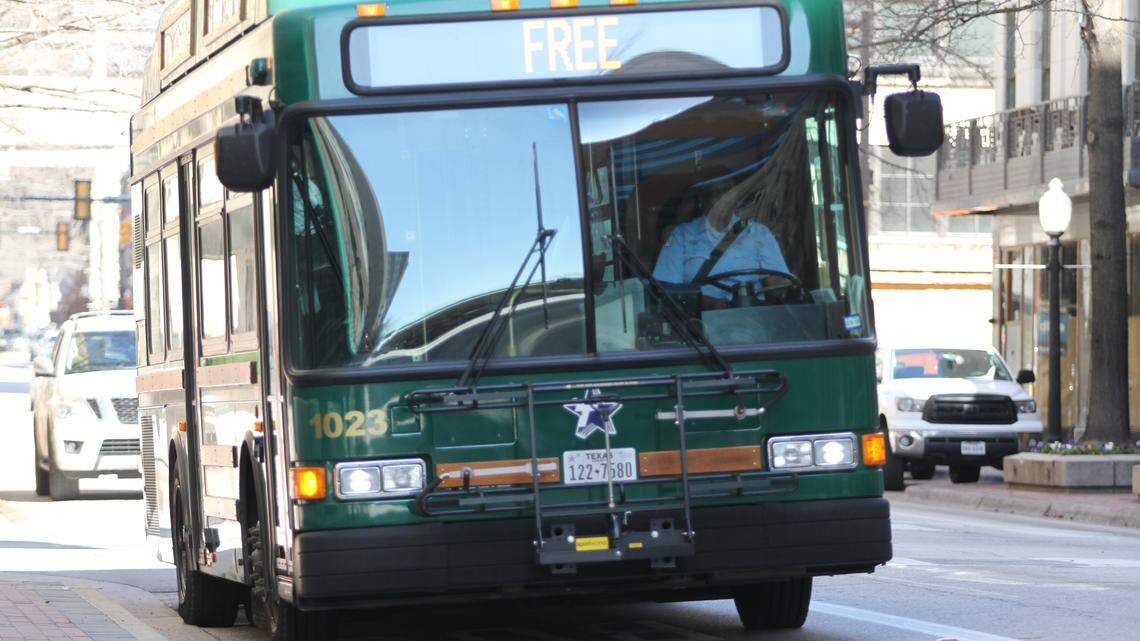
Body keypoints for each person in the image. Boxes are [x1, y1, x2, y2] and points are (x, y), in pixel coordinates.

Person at [652, 173, 790, 301]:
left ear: (736, 197)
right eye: (715, 193)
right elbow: (669, 289)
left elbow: (778, 283)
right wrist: (706, 302)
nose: (723, 198)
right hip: (701, 320)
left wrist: (779, 285)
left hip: (752, 317)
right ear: (703, 199)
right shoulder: (681, 236)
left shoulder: (759, 233)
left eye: (727, 191)